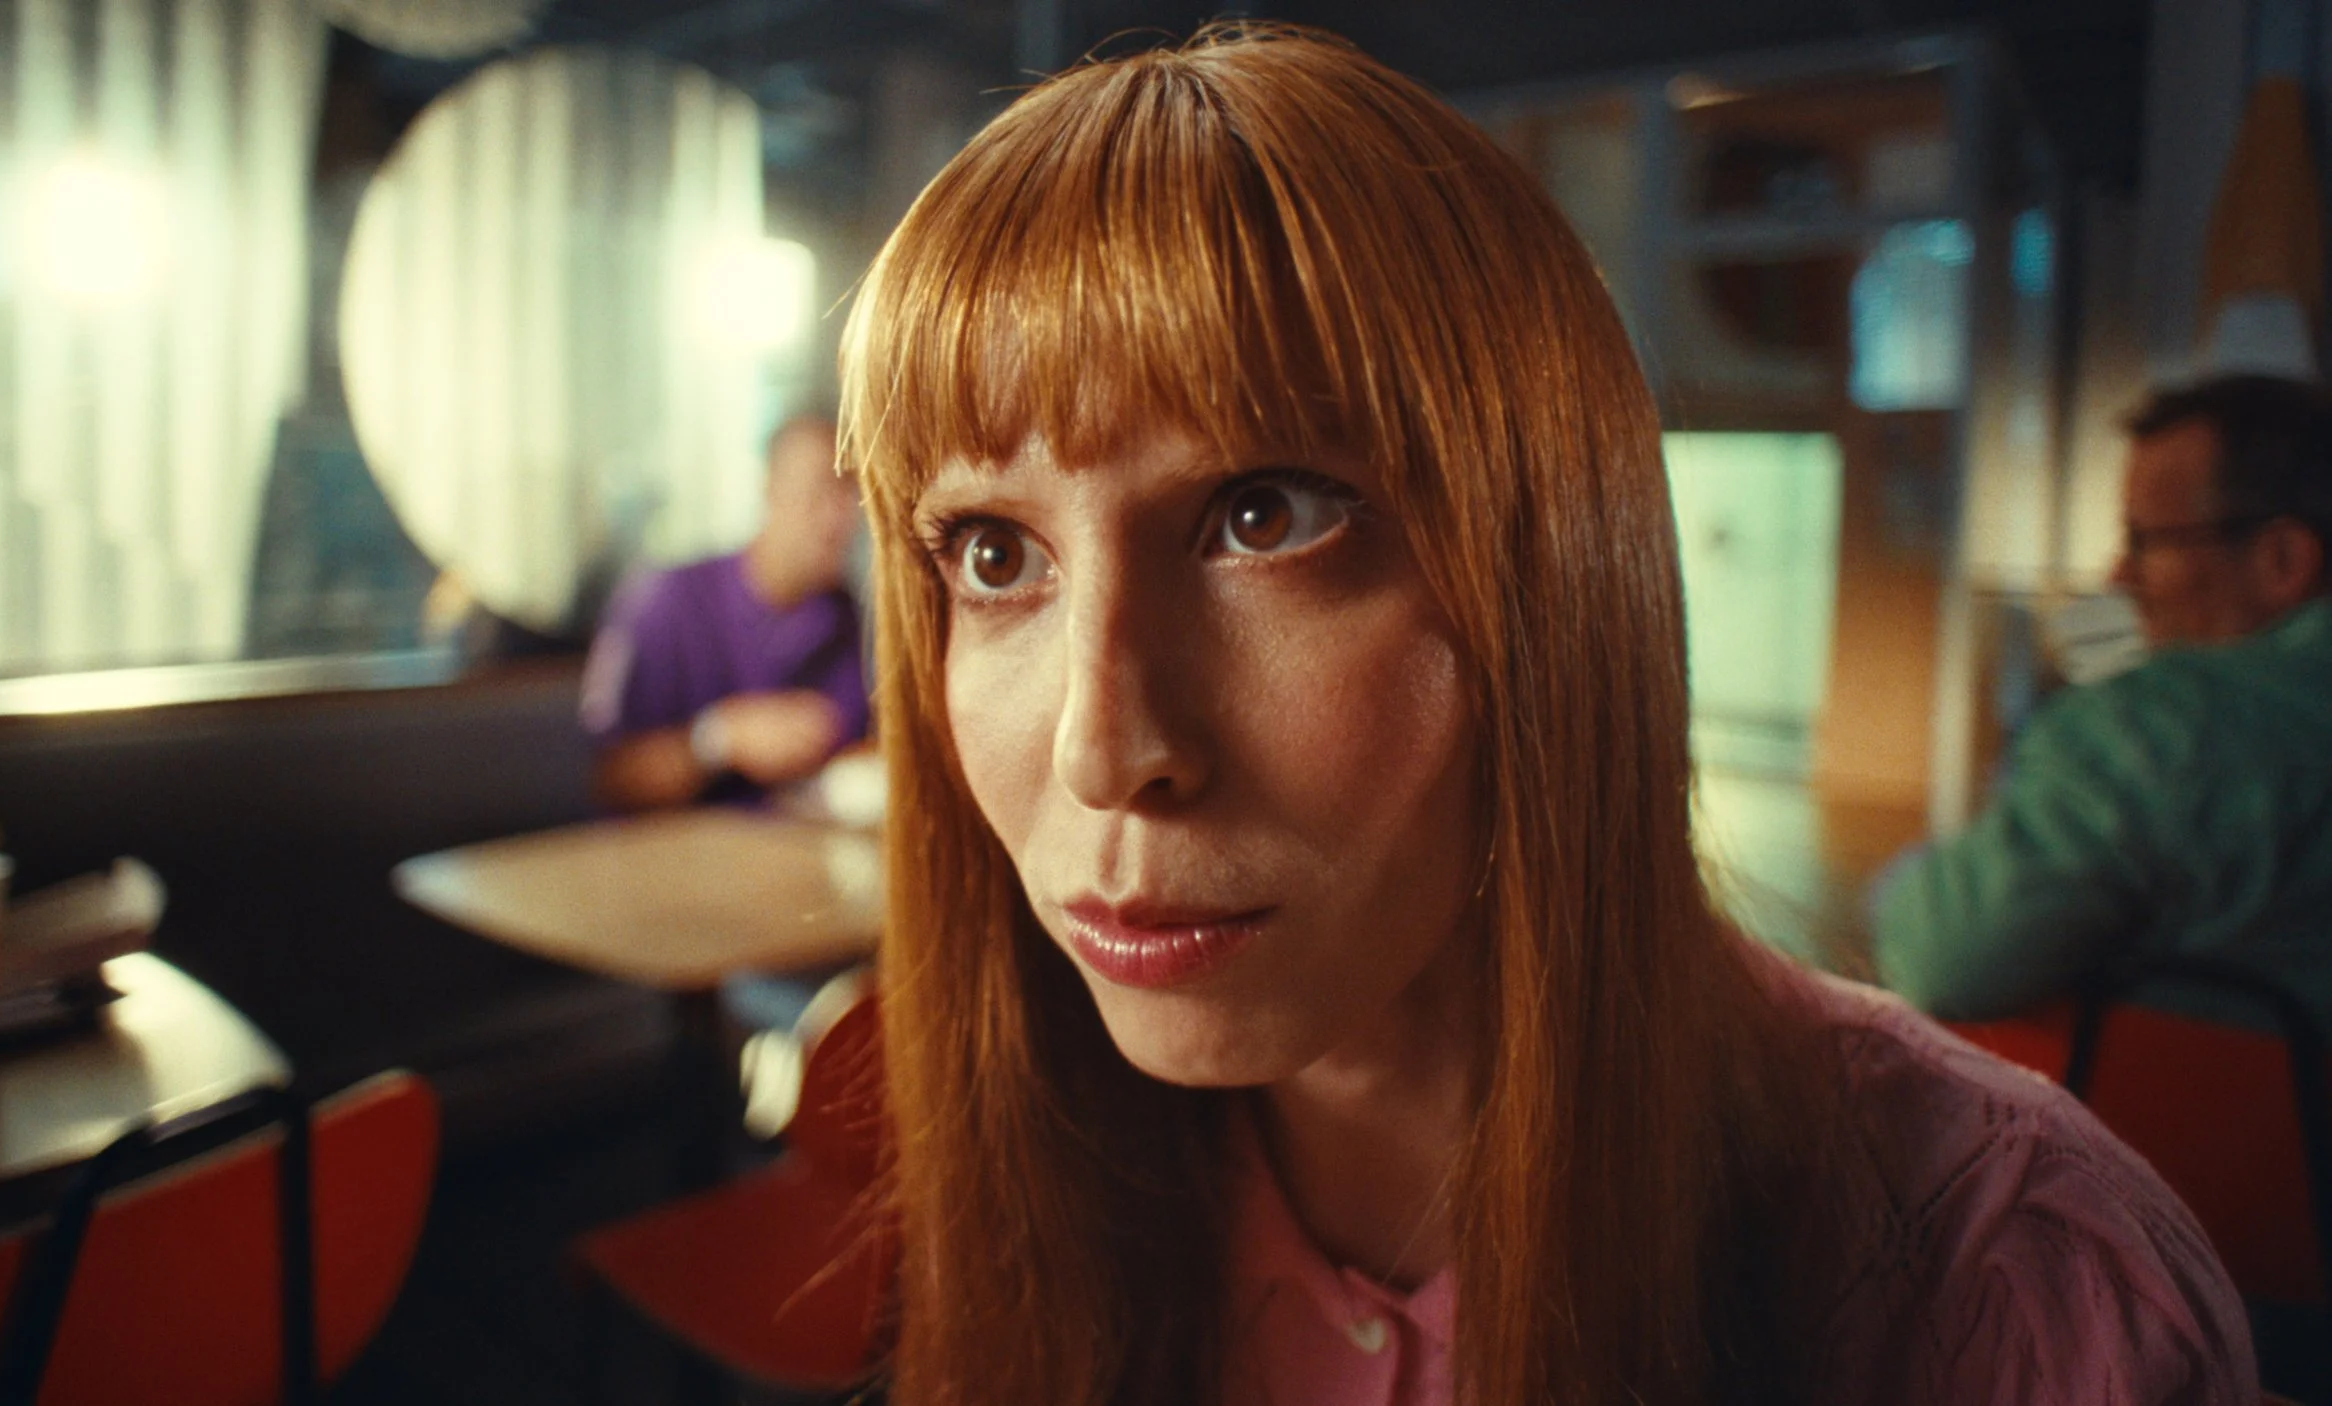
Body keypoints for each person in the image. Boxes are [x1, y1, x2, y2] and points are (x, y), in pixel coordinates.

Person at [835, 25, 2253, 1406]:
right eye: (994, 555)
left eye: (1260, 516)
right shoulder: (1032, 1182)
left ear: (1553, 572)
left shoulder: (2005, 1282)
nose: (1103, 747)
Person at [1872, 374, 2332, 1024]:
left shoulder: (2163, 724)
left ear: (2283, 558)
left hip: (2173, 1122)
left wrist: (1901, 887)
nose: (2117, 577)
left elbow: (1946, 960)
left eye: (2145, 541)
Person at [579, 413, 871, 810]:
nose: (841, 517)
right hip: (674, 859)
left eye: (853, 494)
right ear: (770, 489)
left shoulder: (841, 614)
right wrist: (718, 740)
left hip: (795, 852)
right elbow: (609, 778)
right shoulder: (665, 600)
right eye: (820, 490)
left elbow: (858, 745)